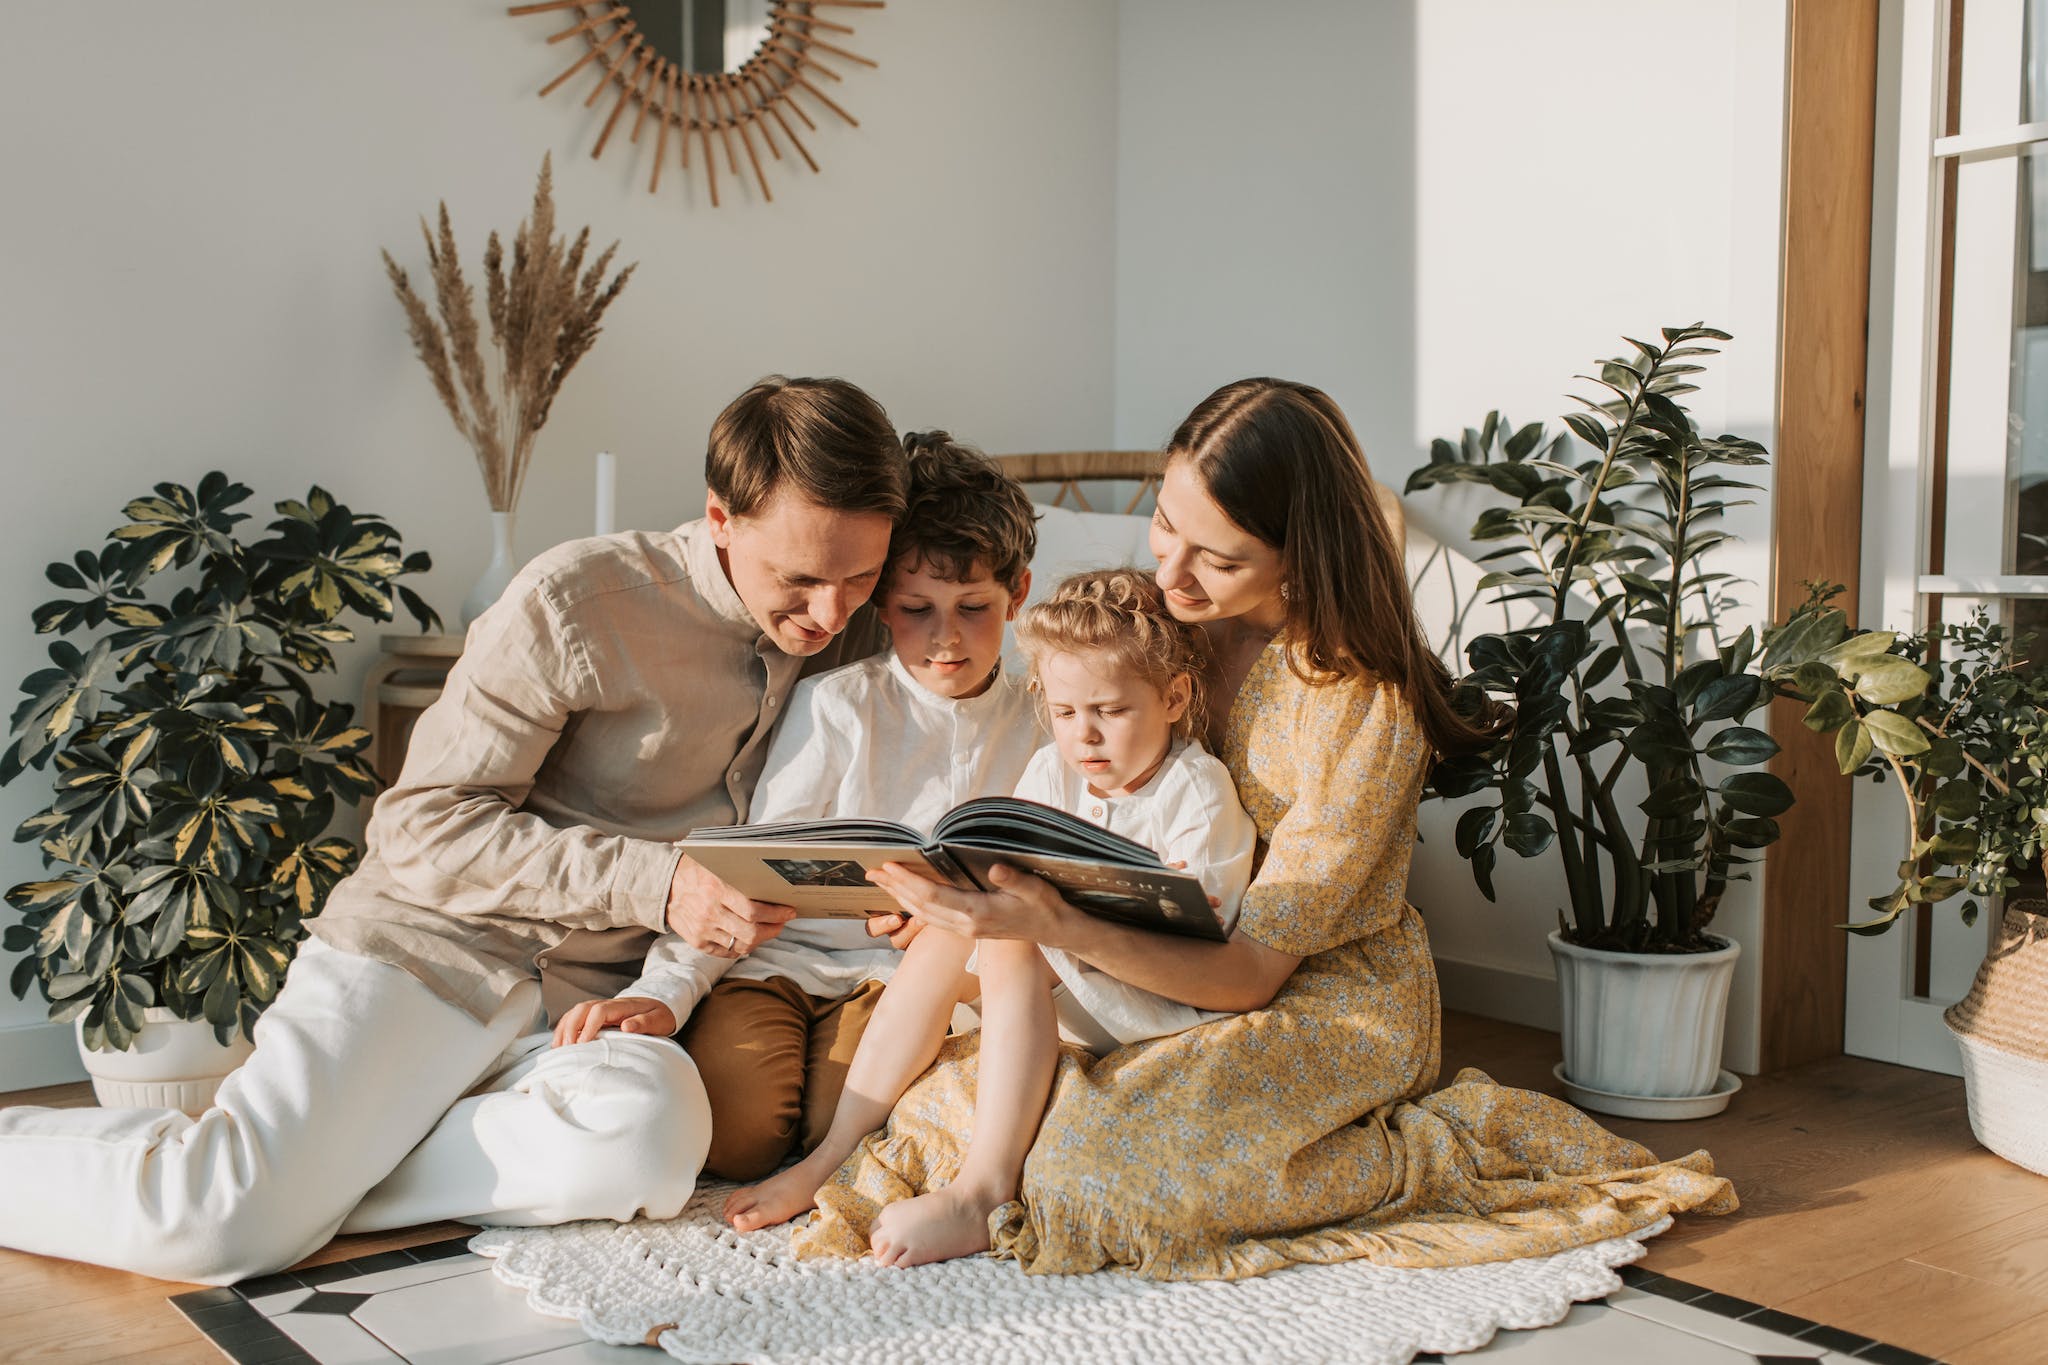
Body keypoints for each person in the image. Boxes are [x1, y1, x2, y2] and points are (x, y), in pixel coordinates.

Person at [794, 378, 1738, 1278]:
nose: (1170, 571)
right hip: (1138, 954)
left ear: (1300, 551)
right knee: (947, 1087)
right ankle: (1010, 1145)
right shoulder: (1166, 633)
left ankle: (1380, 1147)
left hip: (1313, 996)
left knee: (1102, 1178)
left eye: (1218, 555)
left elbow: (1250, 975)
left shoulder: (1362, 707)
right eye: (1166, 525)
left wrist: (1054, 926)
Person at [0, 375, 906, 1284]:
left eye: (858, 577)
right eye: (799, 578)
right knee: (215, 1229)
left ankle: (311, 1185)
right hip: (429, 952)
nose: (830, 615)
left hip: (581, 1011)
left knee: (654, 1143)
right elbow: (421, 827)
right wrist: (657, 883)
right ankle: (248, 1188)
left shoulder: (859, 631)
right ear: (720, 516)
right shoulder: (576, 601)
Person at [551, 431, 1045, 1184]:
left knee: (838, 1123)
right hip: (774, 962)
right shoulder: (838, 705)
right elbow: (748, 866)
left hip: (902, 977)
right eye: (916, 609)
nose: (945, 638)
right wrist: (662, 991)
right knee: (737, 1137)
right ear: (881, 602)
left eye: (973, 607)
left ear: (1019, 593)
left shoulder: (1045, 720)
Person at [725, 569, 1256, 1263]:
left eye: (1111, 711)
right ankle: (831, 1154)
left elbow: (1200, 943)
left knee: (1009, 937)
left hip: (1150, 1000)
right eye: (1065, 713)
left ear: (1174, 697)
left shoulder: (1198, 793)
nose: (1085, 736)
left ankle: (983, 1188)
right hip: (1072, 984)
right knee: (957, 928)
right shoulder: (1050, 771)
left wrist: (1049, 919)